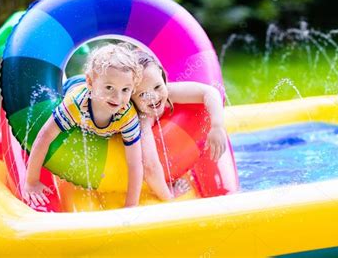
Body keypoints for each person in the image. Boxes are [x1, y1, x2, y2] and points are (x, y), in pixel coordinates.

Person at [23, 43, 144, 208]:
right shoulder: (75, 105)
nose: (117, 97)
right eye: (110, 87)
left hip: (93, 89)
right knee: (60, 89)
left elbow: (135, 162)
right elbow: (44, 137)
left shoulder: (126, 115)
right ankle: (71, 77)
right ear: (91, 82)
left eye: (125, 89)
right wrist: (31, 181)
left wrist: (131, 205)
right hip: (73, 88)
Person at [131, 50, 227, 201]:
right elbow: (149, 167)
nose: (154, 97)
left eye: (157, 87)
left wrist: (217, 126)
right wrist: (169, 197)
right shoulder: (142, 120)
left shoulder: (168, 91)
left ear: (163, 79)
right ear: (131, 98)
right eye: (142, 94)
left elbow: (210, 92)